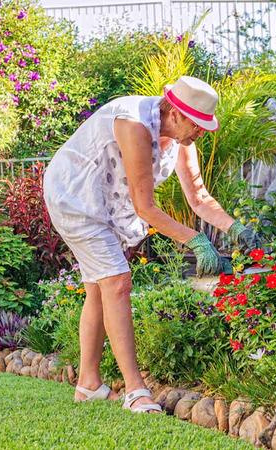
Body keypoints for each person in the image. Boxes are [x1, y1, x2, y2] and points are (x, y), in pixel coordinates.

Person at [43, 75, 262, 413]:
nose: (201, 132)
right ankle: (136, 391)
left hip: (105, 202)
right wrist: (197, 241)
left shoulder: (182, 140)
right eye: (197, 124)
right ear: (173, 112)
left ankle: (88, 384)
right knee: (117, 282)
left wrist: (237, 230)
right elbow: (145, 206)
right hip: (75, 196)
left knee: (99, 288)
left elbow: (199, 196)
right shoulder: (134, 124)